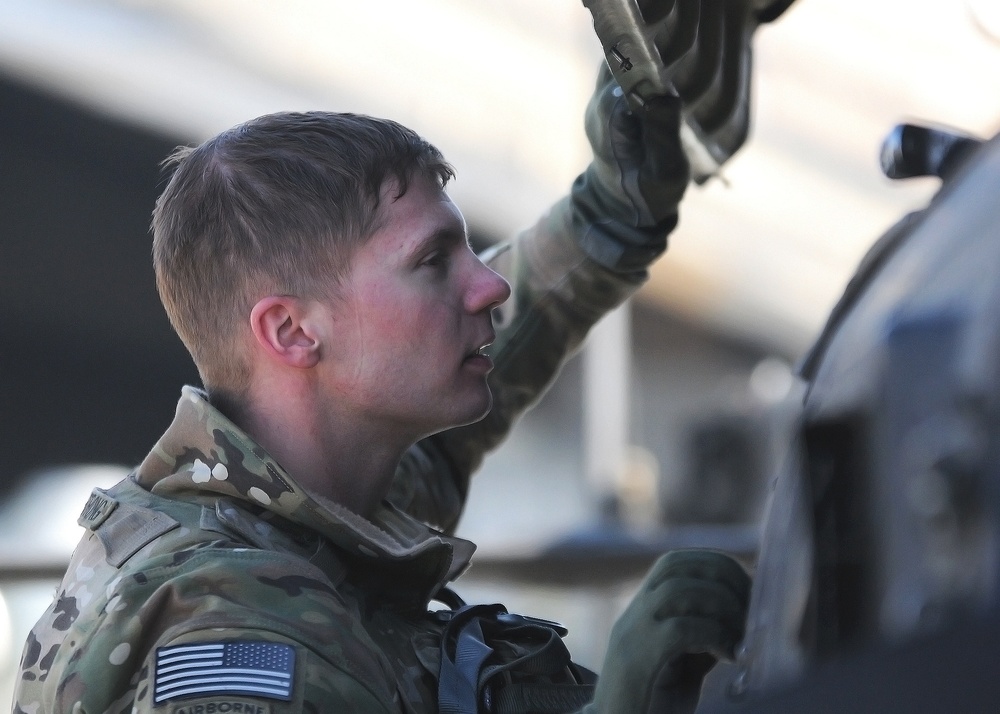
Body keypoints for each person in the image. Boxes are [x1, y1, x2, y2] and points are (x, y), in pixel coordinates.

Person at [14, 66, 750, 714]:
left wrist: (605, 216)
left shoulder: (322, 499)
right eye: (433, 261)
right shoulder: (244, 634)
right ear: (294, 333)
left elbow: (515, 340)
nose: (488, 284)